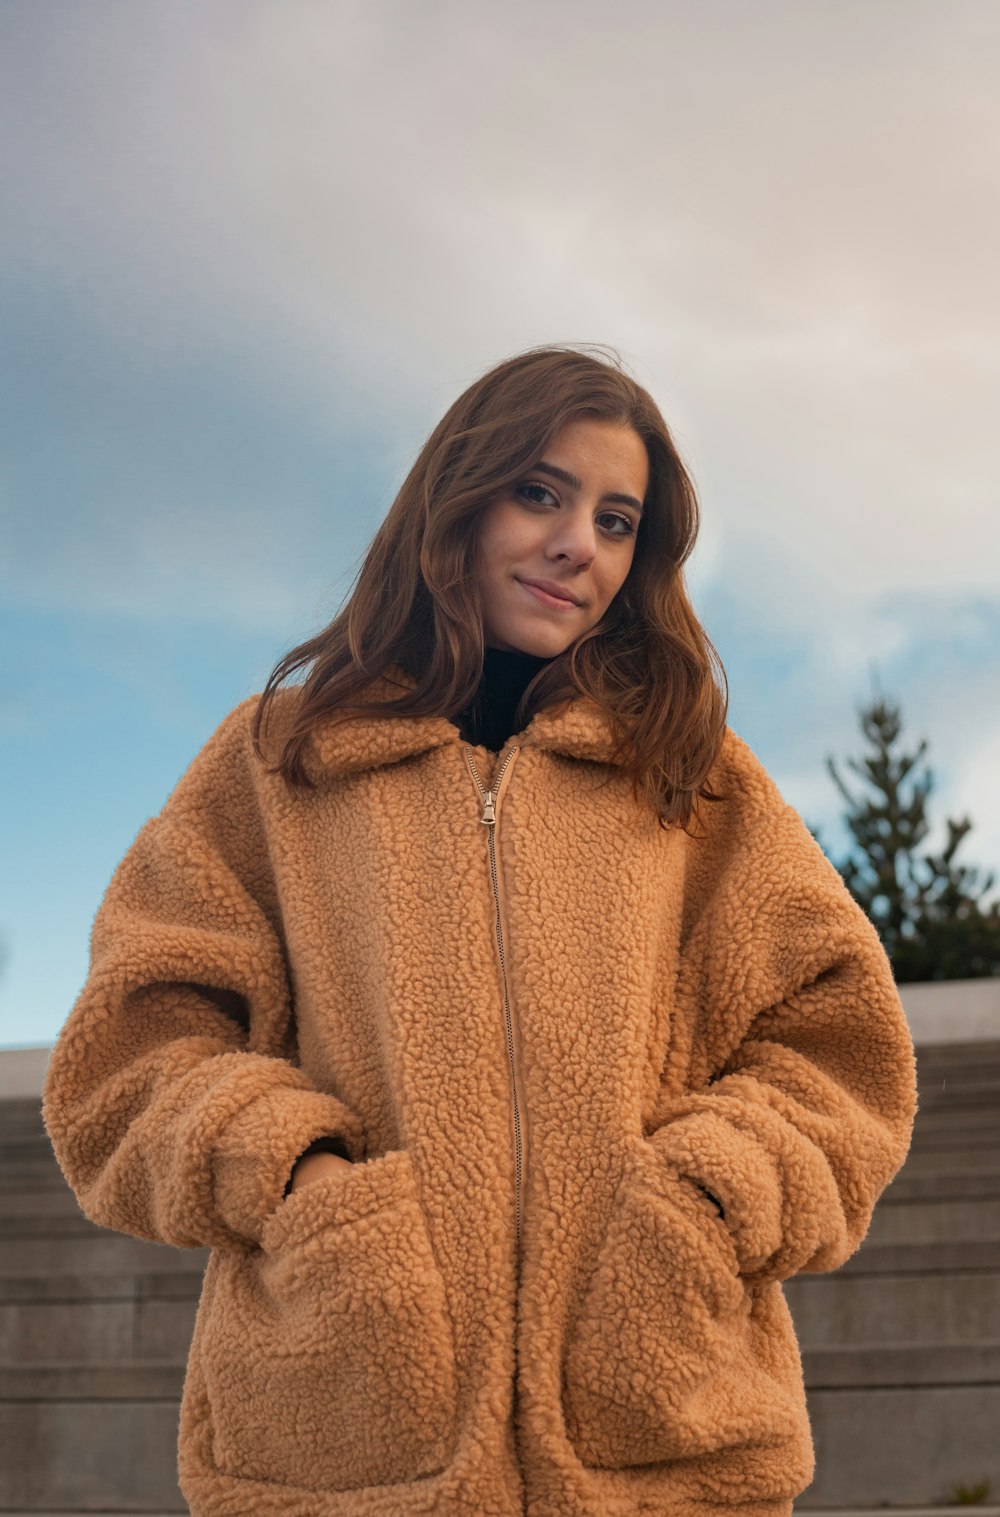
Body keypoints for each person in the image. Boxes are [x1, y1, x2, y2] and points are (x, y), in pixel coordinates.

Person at [42, 343, 917, 1517]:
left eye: (618, 520)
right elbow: (127, 1051)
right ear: (453, 501)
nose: (578, 545)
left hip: (663, 1439)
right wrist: (299, 1181)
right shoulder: (281, 759)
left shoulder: (692, 781)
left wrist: (706, 1201)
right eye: (540, 493)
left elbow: (839, 1046)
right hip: (344, 1443)